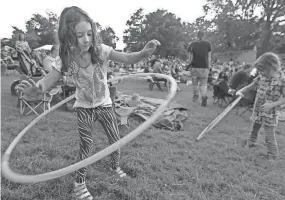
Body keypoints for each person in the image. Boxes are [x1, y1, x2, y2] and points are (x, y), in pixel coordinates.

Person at [16, 6, 160, 200]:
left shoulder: (101, 51)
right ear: (68, 37)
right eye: (80, 35)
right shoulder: (65, 59)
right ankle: (80, 183)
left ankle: (114, 165)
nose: (86, 39)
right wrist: (37, 89)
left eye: (90, 33)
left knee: (114, 138)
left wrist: (142, 54)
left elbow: (126, 57)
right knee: (86, 144)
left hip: (105, 104)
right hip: (84, 107)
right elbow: (48, 80)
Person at [236, 52, 285, 160]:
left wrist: (272, 105)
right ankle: (250, 143)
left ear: (272, 66)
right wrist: (241, 91)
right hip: (258, 109)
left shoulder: (282, 80)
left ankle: (273, 155)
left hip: (269, 113)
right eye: (259, 70)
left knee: (269, 136)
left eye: (263, 69)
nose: (261, 72)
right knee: (254, 129)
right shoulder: (261, 77)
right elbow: (250, 86)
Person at [188, 30, 212, 107]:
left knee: (194, 83)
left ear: (197, 36)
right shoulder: (208, 44)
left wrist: (190, 65)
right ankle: (204, 97)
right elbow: (209, 57)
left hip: (194, 66)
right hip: (204, 67)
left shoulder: (192, 44)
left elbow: (190, 57)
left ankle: (195, 96)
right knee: (203, 83)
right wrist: (208, 66)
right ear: (203, 35)